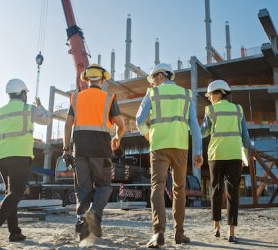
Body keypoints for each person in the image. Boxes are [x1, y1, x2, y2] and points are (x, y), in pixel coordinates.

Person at [136, 63, 203, 248]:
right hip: (180, 146)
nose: (152, 84)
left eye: (153, 79)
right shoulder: (186, 94)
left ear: (160, 76)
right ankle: (179, 234)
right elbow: (194, 126)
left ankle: (158, 233)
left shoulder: (152, 93)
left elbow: (138, 120)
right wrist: (198, 151)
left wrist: (147, 133)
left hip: (158, 146)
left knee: (157, 186)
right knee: (179, 189)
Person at [0, 78, 52, 248]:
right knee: (17, 192)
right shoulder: (29, 109)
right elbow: (47, 119)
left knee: (10, 194)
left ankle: (15, 232)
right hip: (20, 156)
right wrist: (40, 106)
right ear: (22, 94)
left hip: (2, 158)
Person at [63, 64, 125, 241]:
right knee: (104, 185)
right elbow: (121, 125)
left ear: (87, 79)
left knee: (83, 188)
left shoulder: (76, 97)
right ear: (103, 79)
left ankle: (84, 224)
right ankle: (94, 214)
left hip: (80, 150)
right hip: (101, 149)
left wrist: (66, 148)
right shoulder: (109, 98)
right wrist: (117, 138)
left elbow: (68, 125)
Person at [201, 79, 252, 243]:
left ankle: (216, 228)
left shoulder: (210, 111)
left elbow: (203, 133)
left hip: (216, 156)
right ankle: (231, 232)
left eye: (210, 95)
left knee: (216, 190)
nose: (209, 98)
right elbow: (245, 136)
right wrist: (245, 155)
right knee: (233, 194)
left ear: (219, 93)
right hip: (234, 155)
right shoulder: (238, 109)